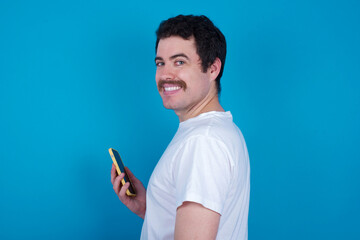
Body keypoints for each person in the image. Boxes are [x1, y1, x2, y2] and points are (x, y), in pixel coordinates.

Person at [111, 14, 250, 240]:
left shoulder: (203, 142)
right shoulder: (218, 130)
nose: (165, 74)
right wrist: (151, 208)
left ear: (213, 68)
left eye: (179, 62)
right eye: (160, 63)